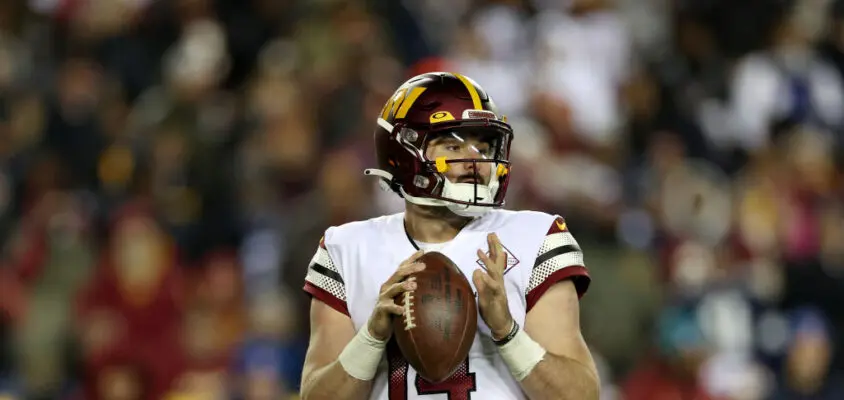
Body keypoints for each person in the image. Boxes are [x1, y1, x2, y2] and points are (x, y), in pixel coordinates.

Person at [299, 72, 599, 400]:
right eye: (452, 144)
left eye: (484, 146)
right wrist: (370, 339)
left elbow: (580, 396)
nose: (475, 160)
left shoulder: (536, 237)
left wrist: (508, 333)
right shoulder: (347, 249)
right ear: (404, 151)